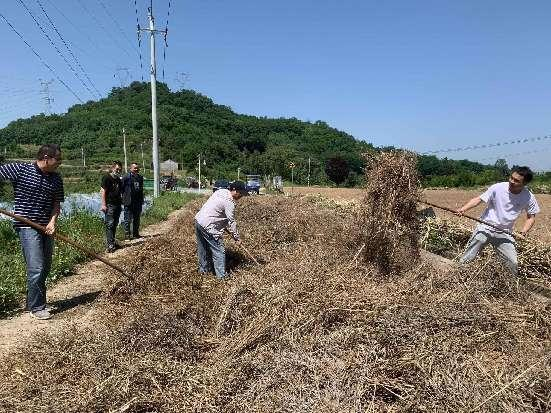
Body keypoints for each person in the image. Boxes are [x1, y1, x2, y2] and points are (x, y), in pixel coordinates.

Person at [0, 144, 64, 320]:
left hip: (46, 227)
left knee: (45, 267)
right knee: (36, 266)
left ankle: (32, 301)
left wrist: (52, 222)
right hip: (26, 225)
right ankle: (37, 307)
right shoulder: (20, 169)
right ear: (46, 158)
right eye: (57, 159)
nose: (60, 162)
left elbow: (56, 203)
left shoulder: (56, 178)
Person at [456, 166, 540, 275]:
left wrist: (523, 232)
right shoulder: (498, 188)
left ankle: (511, 287)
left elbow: (531, 218)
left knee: (512, 263)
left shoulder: (528, 197)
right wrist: (463, 209)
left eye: (516, 180)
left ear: (524, 184)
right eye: (511, 177)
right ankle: (458, 274)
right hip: (486, 227)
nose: (511, 181)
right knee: (469, 255)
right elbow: (478, 199)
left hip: (505, 232)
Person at [194, 181, 247, 278]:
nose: (241, 196)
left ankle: (203, 271)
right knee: (219, 250)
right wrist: (237, 238)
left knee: (203, 248)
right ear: (235, 190)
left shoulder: (221, 191)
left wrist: (221, 222)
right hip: (209, 226)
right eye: (241, 193)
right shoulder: (230, 203)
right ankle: (221, 276)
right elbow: (232, 222)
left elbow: (216, 208)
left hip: (199, 221)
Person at [101, 161, 123, 253]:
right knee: (109, 224)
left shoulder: (118, 179)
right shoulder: (107, 177)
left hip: (117, 204)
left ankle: (113, 242)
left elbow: (120, 192)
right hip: (110, 205)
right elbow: (103, 191)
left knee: (114, 224)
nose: (118, 171)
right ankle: (110, 245)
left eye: (120, 170)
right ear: (113, 168)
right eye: (117, 169)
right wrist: (103, 204)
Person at [121, 162, 144, 240]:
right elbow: (121, 188)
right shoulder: (126, 177)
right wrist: (122, 198)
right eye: (135, 168)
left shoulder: (140, 177)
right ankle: (127, 236)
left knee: (137, 219)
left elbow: (141, 190)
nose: (136, 169)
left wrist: (142, 200)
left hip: (137, 202)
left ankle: (135, 234)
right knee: (127, 219)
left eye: (137, 168)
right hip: (128, 202)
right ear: (130, 169)